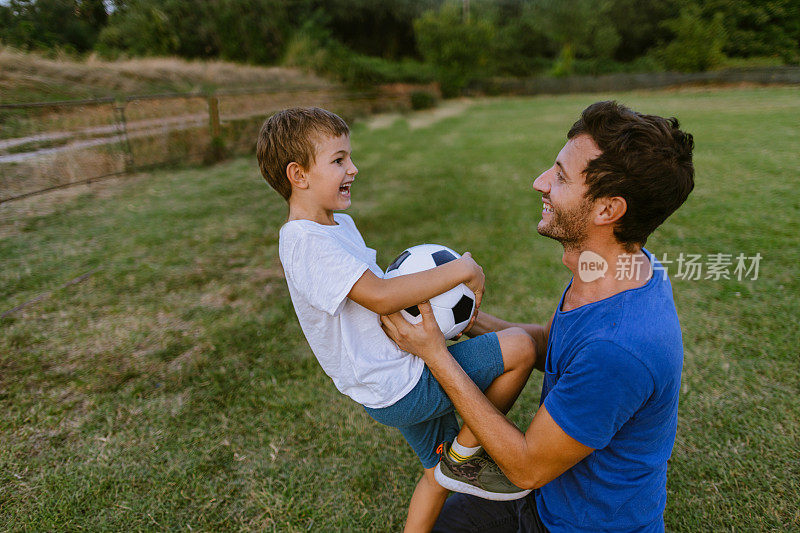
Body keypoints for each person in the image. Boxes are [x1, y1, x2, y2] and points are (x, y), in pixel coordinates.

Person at [380, 101, 695, 532]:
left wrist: (436, 354)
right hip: (539, 498)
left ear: (608, 210)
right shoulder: (616, 267)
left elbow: (527, 466)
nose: (539, 182)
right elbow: (555, 344)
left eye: (561, 176)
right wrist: (466, 321)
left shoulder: (619, 347)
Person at [256, 107, 537, 532]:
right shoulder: (304, 242)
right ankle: (467, 457)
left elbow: (381, 291)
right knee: (520, 348)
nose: (353, 168)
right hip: (401, 382)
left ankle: (452, 467)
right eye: (338, 160)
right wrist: (461, 269)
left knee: (434, 476)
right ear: (299, 175)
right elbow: (381, 293)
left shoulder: (336, 226)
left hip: (390, 382)